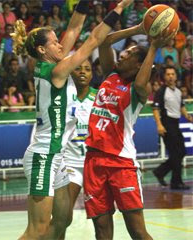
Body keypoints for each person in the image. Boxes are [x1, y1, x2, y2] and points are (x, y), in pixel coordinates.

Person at [11, 0, 134, 239]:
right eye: (55, 42)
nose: (60, 44)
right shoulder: (57, 71)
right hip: (44, 155)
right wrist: (117, 10)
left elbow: (75, 28)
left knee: (63, 218)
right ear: (41, 50)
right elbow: (93, 41)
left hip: (57, 156)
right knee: (36, 230)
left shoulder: (53, 62)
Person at [83, 22, 176, 240]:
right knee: (102, 229)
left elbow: (143, 81)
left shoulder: (138, 90)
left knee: (137, 231)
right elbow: (105, 40)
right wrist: (137, 30)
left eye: (130, 54)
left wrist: (153, 47)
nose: (123, 54)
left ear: (138, 65)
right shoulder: (109, 75)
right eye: (126, 51)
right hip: (93, 161)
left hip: (120, 163)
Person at [62, 59, 98, 238]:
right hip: (71, 164)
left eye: (87, 69)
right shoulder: (63, 96)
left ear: (92, 74)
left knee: (101, 218)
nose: (83, 72)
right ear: (70, 72)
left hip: (95, 164)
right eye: (78, 69)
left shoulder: (100, 98)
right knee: (63, 216)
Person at [152, 66, 193, 190]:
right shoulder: (161, 91)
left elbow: (181, 106)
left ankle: (160, 171)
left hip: (175, 123)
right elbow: (155, 109)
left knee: (181, 152)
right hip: (166, 124)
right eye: (168, 74)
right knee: (176, 153)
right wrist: (159, 125)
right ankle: (176, 182)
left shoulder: (179, 91)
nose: (170, 76)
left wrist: (187, 116)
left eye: (172, 74)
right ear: (164, 77)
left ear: (176, 76)